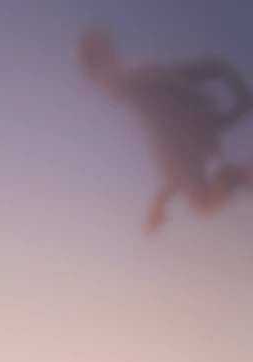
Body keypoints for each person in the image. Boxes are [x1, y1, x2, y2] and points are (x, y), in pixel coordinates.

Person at [80, 26, 253, 232]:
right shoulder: (137, 83)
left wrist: (157, 207)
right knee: (201, 200)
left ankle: (234, 174)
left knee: (202, 201)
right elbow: (173, 171)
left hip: (191, 130)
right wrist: (157, 207)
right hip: (192, 132)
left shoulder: (136, 83)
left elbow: (172, 165)